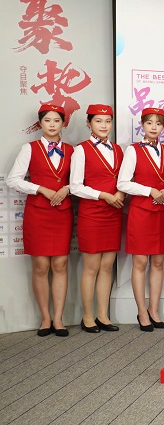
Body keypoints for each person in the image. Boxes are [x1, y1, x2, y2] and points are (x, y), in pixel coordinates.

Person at [7, 104, 73, 337]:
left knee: (60, 265)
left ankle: (59, 319)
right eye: (47, 120)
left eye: (57, 120)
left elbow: (81, 180)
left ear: (63, 123)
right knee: (41, 266)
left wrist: (66, 188)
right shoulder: (29, 148)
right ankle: (45, 318)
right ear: (40, 124)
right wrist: (40, 189)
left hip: (62, 213)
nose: (52, 125)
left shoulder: (72, 150)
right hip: (38, 213)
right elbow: (13, 180)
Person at [118, 108, 164, 331]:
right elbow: (123, 183)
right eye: (150, 123)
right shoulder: (133, 150)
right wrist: (149, 190)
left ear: (163, 127)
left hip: (162, 212)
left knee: (158, 262)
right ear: (142, 125)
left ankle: (154, 310)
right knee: (140, 262)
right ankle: (141, 311)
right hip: (141, 213)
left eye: (158, 123)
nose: (154, 127)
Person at [70, 104, 125, 333]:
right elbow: (75, 186)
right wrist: (103, 195)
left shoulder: (118, 149)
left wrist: (121, 193)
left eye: (108, 121)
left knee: (107, 266)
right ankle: (87, 317)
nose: (104, 125)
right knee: (91, 267)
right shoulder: (81, 150)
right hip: (92, 214)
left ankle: (103, 315)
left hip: (114, 212)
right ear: (89, 123)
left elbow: (124, 179)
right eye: (98, 121)